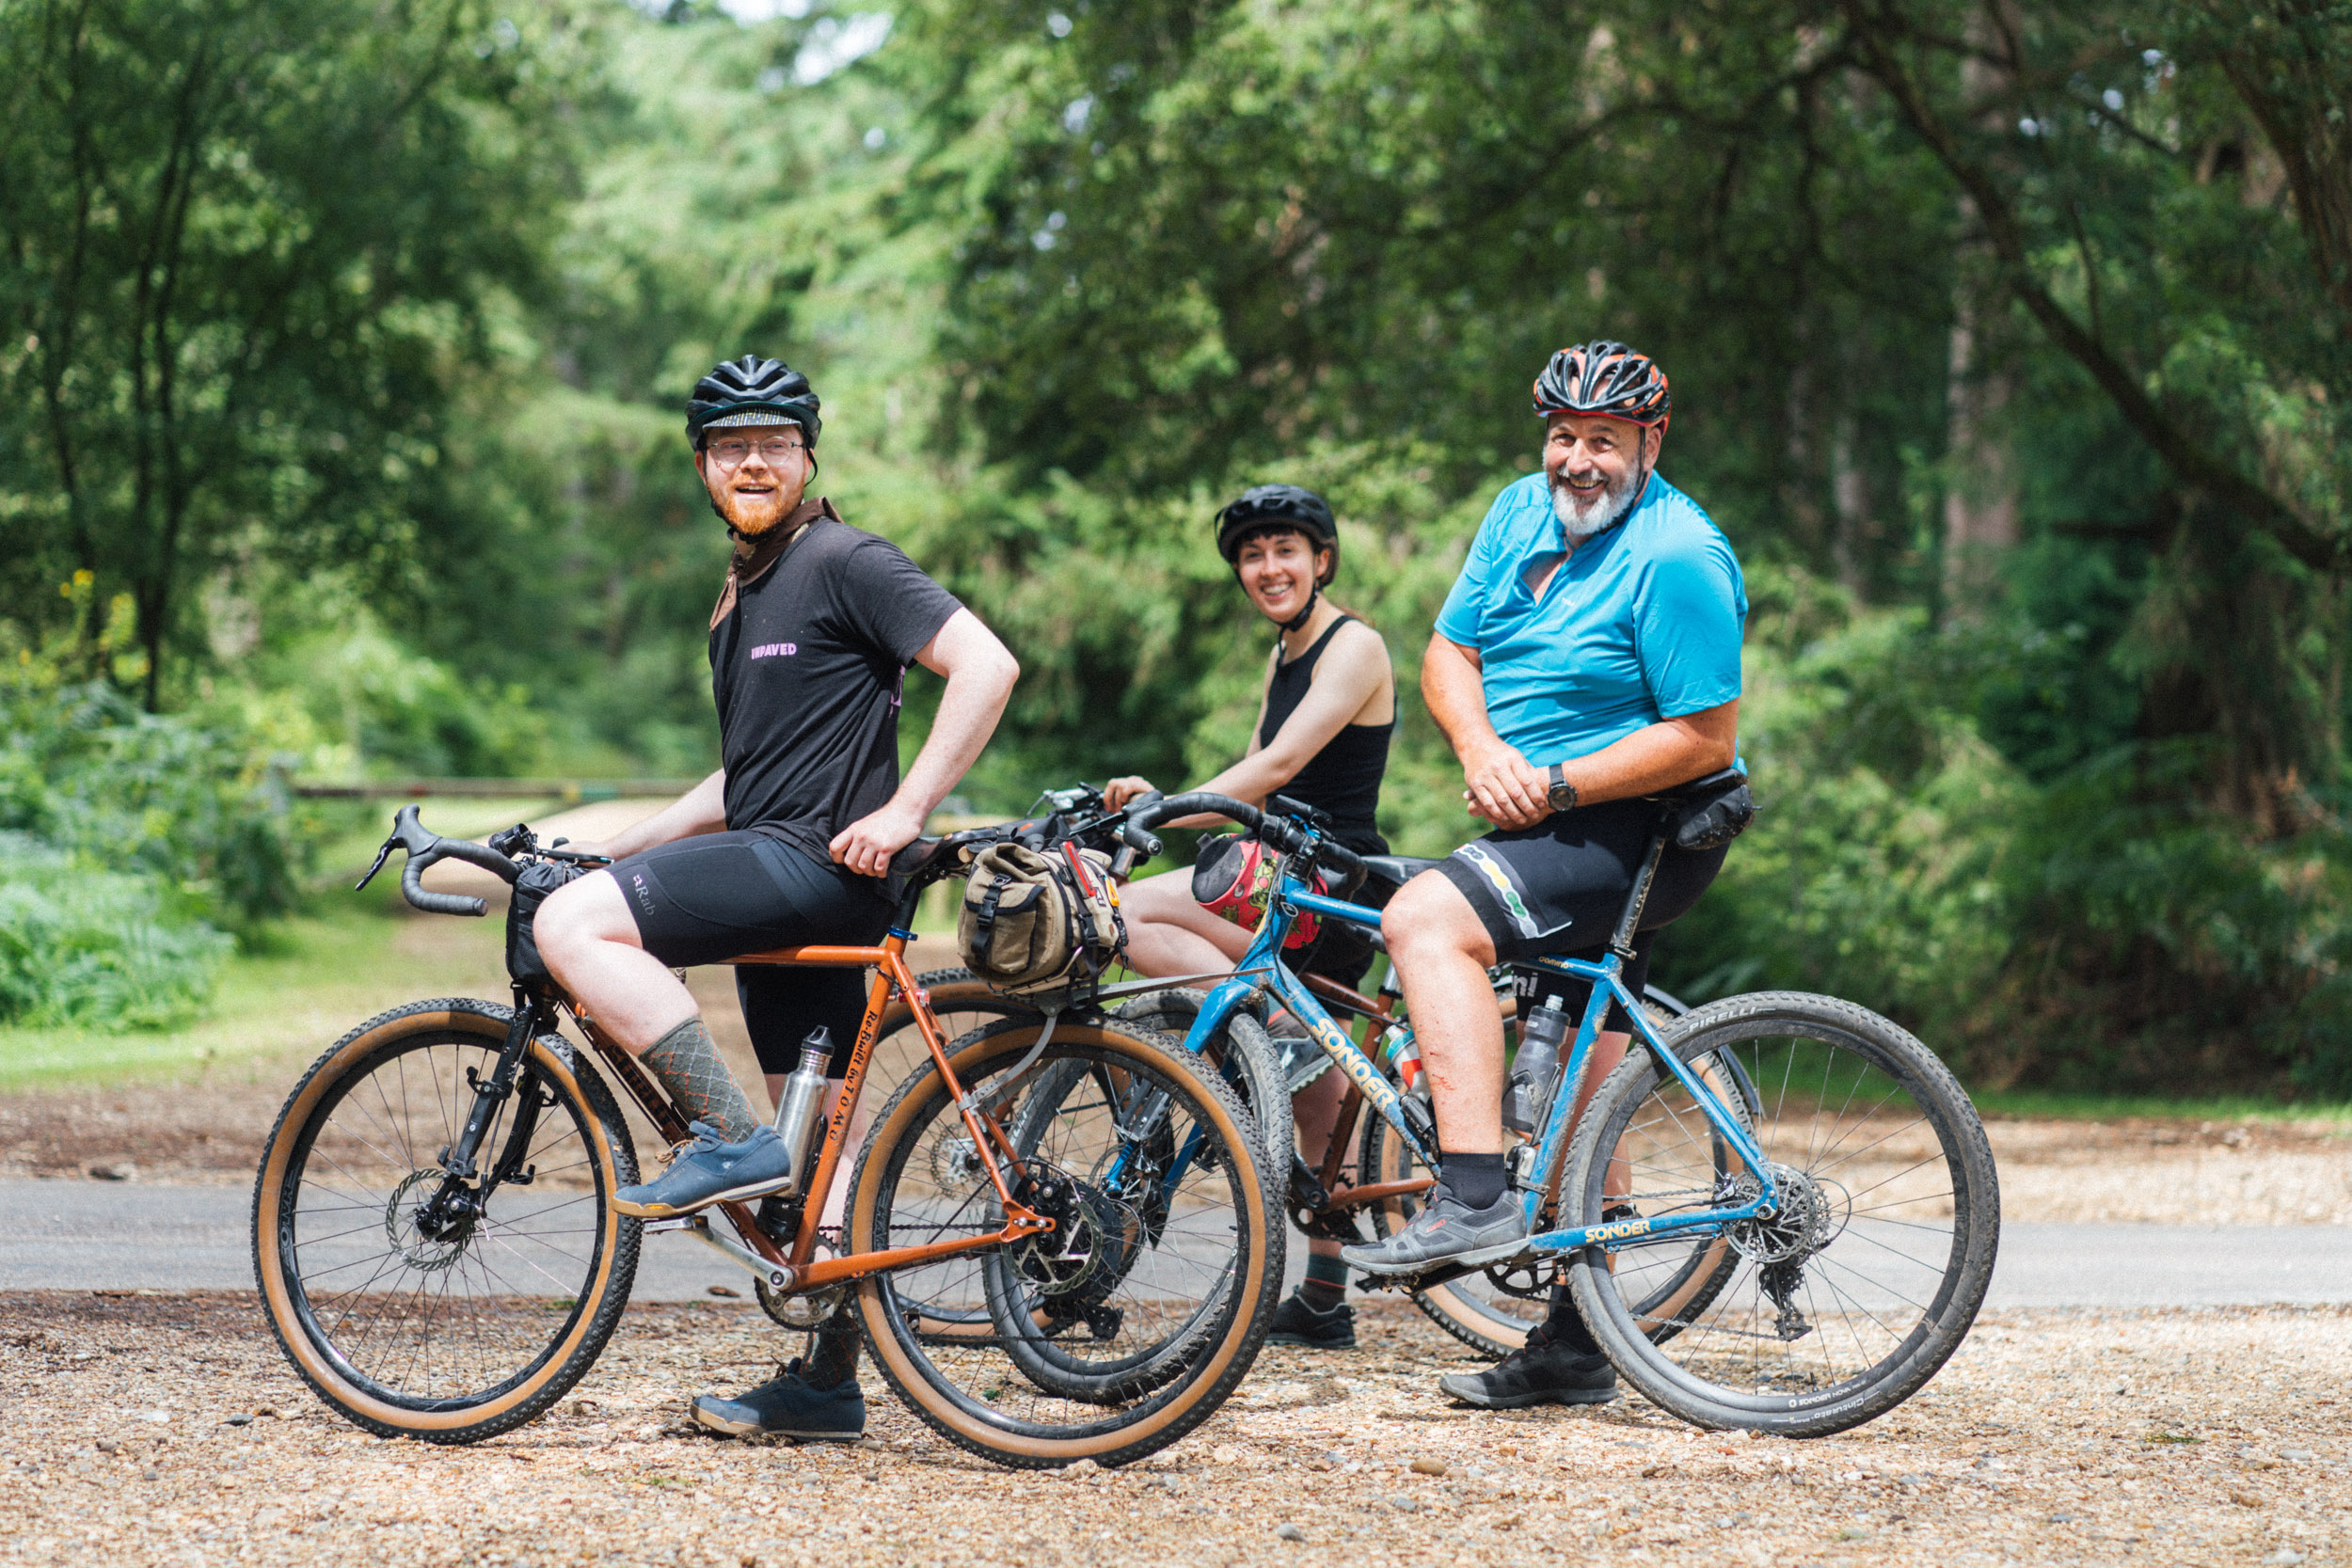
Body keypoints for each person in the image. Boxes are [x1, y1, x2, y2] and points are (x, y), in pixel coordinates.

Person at [532, 355, 1020, 1442]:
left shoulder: (845, 558)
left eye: (774, 443)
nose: (753, 460)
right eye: (730, 445)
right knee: (824, 1157)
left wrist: (906, 809)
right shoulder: (738, 598)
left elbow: (985, 663)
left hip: (812, 868)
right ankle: (827, 1381)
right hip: (781, 866)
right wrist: (625, 841)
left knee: (572, 924)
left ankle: (726, 1137)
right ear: (704, 467)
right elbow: (742, 775)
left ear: (807, 457)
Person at [1339, 341, 1746, 1410]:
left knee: (1425, 919)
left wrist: (1555, 783)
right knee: (1582, 1094)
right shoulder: (1520, 508)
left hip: (1639, 827)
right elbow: (1447, 651)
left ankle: (1472, 1190)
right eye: (1563, 436)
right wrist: (1481, 752)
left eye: (1602, 440)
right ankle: (1574, 1345)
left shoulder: (1678, 555)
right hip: (1554, 813)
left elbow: (1705, 736)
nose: (1576, 459)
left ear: (1650, 443)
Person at [1100, 483, 1395, 1351]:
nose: (1269, 568)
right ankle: (1327, 1298)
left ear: (1322, 560)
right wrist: (1169, 809)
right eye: (1253, 555)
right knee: (1322, 1108)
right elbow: (1260, 776)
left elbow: (1283, 760)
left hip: (1325, 886)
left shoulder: (1356, 644)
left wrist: (1163, 808)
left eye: (1286, 551)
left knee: (1116, 911)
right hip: (1279, 876)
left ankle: (1262, 1022)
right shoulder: (1285, 653)